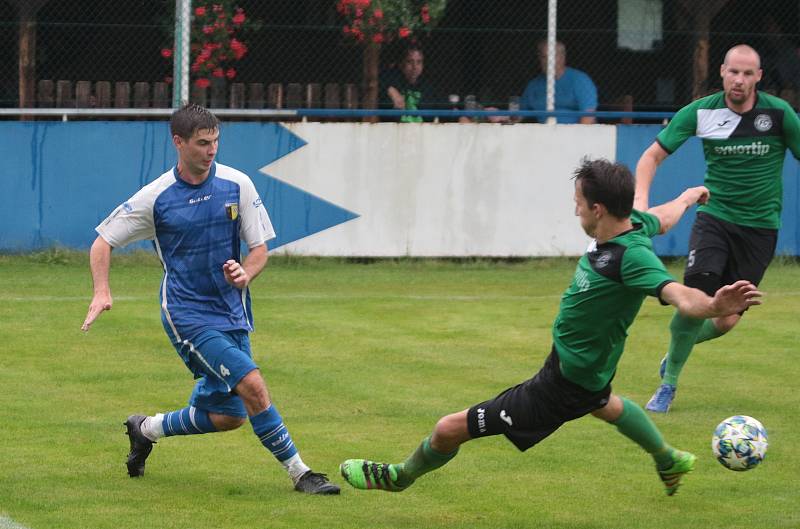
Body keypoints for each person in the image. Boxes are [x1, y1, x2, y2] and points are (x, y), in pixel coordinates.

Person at [339, 158, 763, 497]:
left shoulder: (631, 258)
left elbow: (679, 295)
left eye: (578, 201)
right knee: (606, 404)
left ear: (597, 209)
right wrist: (689, 196)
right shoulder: (630, 221)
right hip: (584, 370)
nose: (574, 207)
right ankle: (669, 458)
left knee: (449, 428)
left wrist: (712, 305)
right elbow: (663, 218)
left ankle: (398, 477)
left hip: (559, 387)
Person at [80, 103, 340, 495]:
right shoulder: (157, 197)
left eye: (215, 141)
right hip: (187, 315)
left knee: (226, 415)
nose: (211, 150)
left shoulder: (237, 184)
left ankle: (145, 429)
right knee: (253, 384)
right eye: (203, 143)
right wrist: (102, 291)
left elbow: (259, 249)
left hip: (232, 312)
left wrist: (246, 272)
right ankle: (301, 473)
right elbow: (102, 242)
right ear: (178, 142)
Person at [634, 44, 800, 413]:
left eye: (747, 73)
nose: (738, 80)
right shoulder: (701, 112)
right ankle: (668, 384)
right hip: (716, 219)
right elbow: (651, 157)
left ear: (758, 77)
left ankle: (677, 350)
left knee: (725, 319)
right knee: (695, 303)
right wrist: (639, 205)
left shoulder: (779, 115)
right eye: (733, 72)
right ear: (722, 71)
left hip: (760, 230)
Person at [520, 40, 598, 124]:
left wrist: (575, 136)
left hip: (573, 133)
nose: (547, 61)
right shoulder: (533, 85)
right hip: (543, 133)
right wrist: (506, 117)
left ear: (562, 57)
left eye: (552, 56)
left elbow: (588, 117)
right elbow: (518, 114)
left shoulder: (580, 80)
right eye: (543, 57)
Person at [379, 44, 438, 122]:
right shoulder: (392, 79)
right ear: (401, 64)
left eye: (419, 62)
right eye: (410, 62)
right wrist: (390, 89)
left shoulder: (428, 86)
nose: (415, 67)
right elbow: (375, 79)